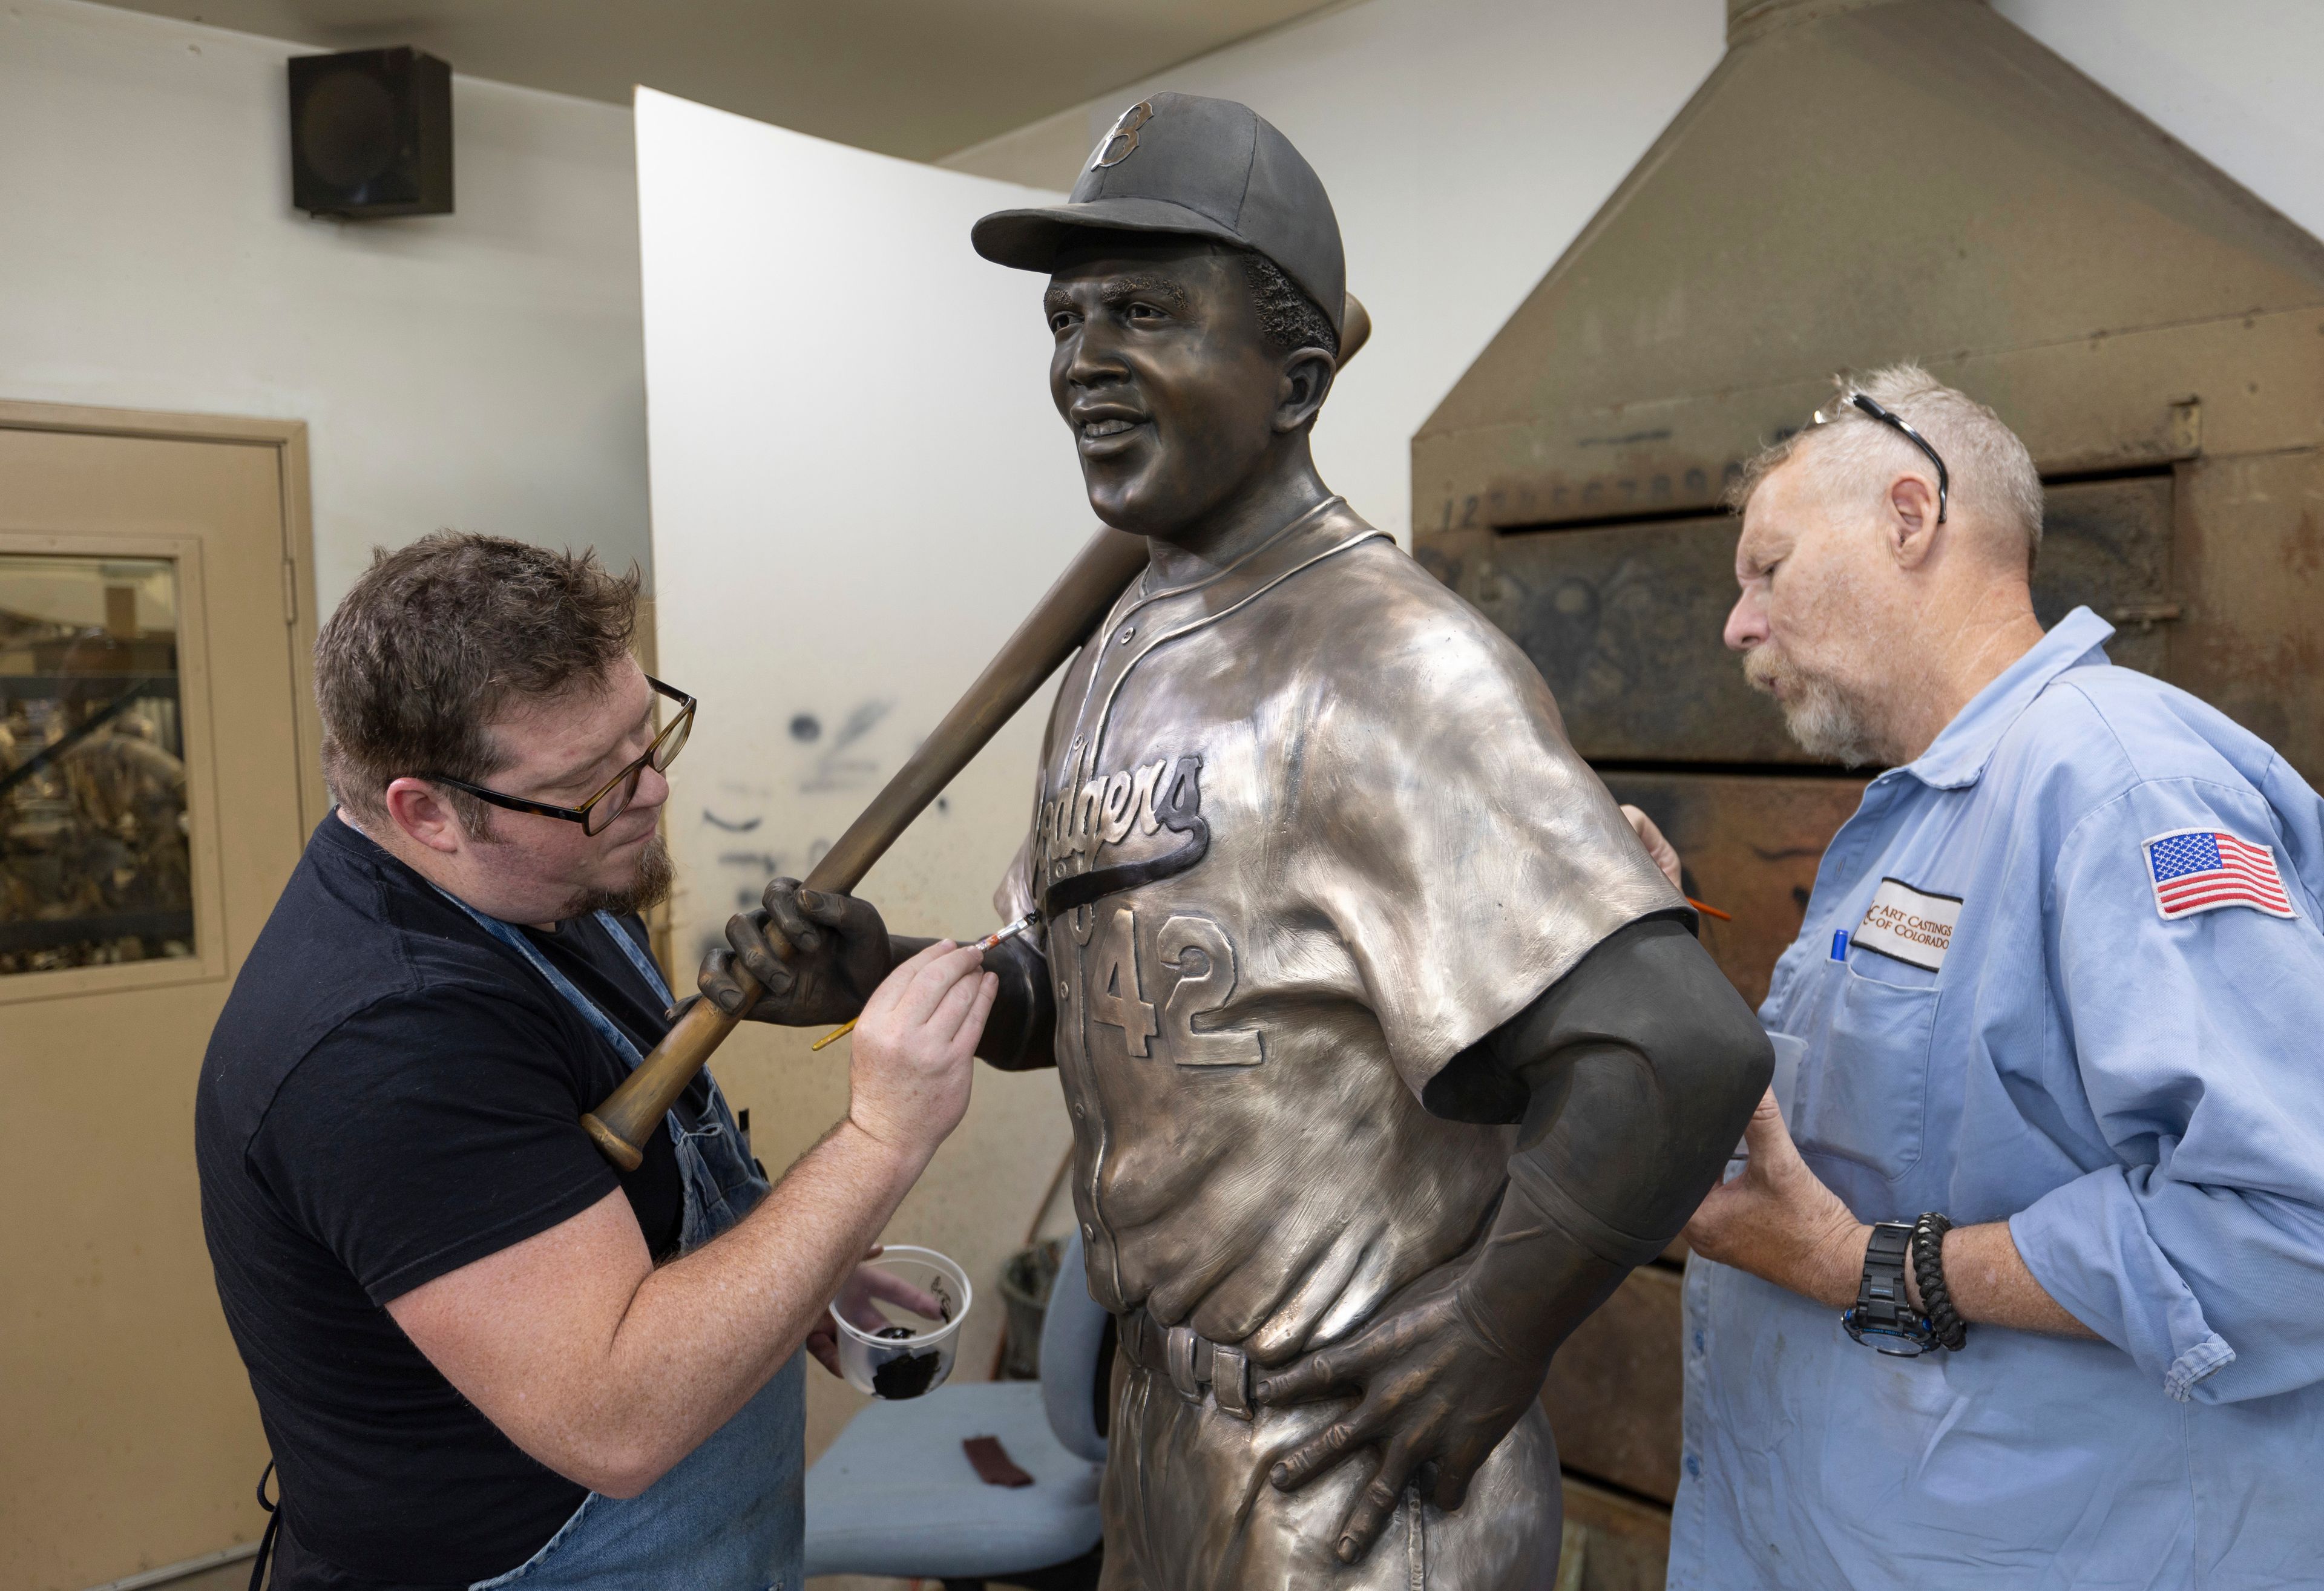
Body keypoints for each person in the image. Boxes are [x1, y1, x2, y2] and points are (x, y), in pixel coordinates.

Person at [698, 93, 1770, 1587]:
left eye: (1146, 311)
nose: (1083, 362)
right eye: (1068, 320)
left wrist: (1489, 1335)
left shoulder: (1392, 667)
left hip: (1356, 1477)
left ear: (1297, 375)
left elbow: (1676, 1050)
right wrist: (888, 973)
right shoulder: (1118, 647)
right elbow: (1100, 992)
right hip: (1162, 1434)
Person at [195, 533, 997, 1591]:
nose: (654, 792)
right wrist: (882, 1139)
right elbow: (617, 1416)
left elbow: (598, 1196)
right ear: (425, 811)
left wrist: (792, 1265)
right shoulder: (384, 1042)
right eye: (590, 783)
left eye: (647, 734)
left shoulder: (533, 879)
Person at [1659, 365, 2324, 1588]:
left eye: (1770, 568)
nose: (1738, 626)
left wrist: (1875, 1267)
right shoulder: (1918, 816)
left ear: (1911, 517)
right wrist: (1648, 947)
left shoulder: (2115, 782)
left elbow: (2291, 1231)